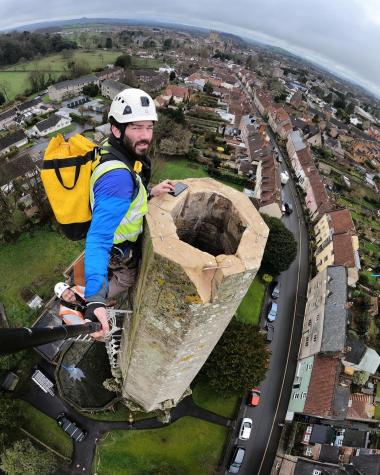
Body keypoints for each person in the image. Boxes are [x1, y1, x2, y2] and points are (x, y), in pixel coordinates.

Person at [84, 88, 174, 338]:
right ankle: (88, 297)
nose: (146, 136)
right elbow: (98, 239)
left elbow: (129, 191)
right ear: (116, 129)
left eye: (149, 127)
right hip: (118, 246)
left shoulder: (112, 150)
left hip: (115, 234)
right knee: (126, 279)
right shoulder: (117, 179)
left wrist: (149, 190)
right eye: (136, 128)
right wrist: (94, 300)